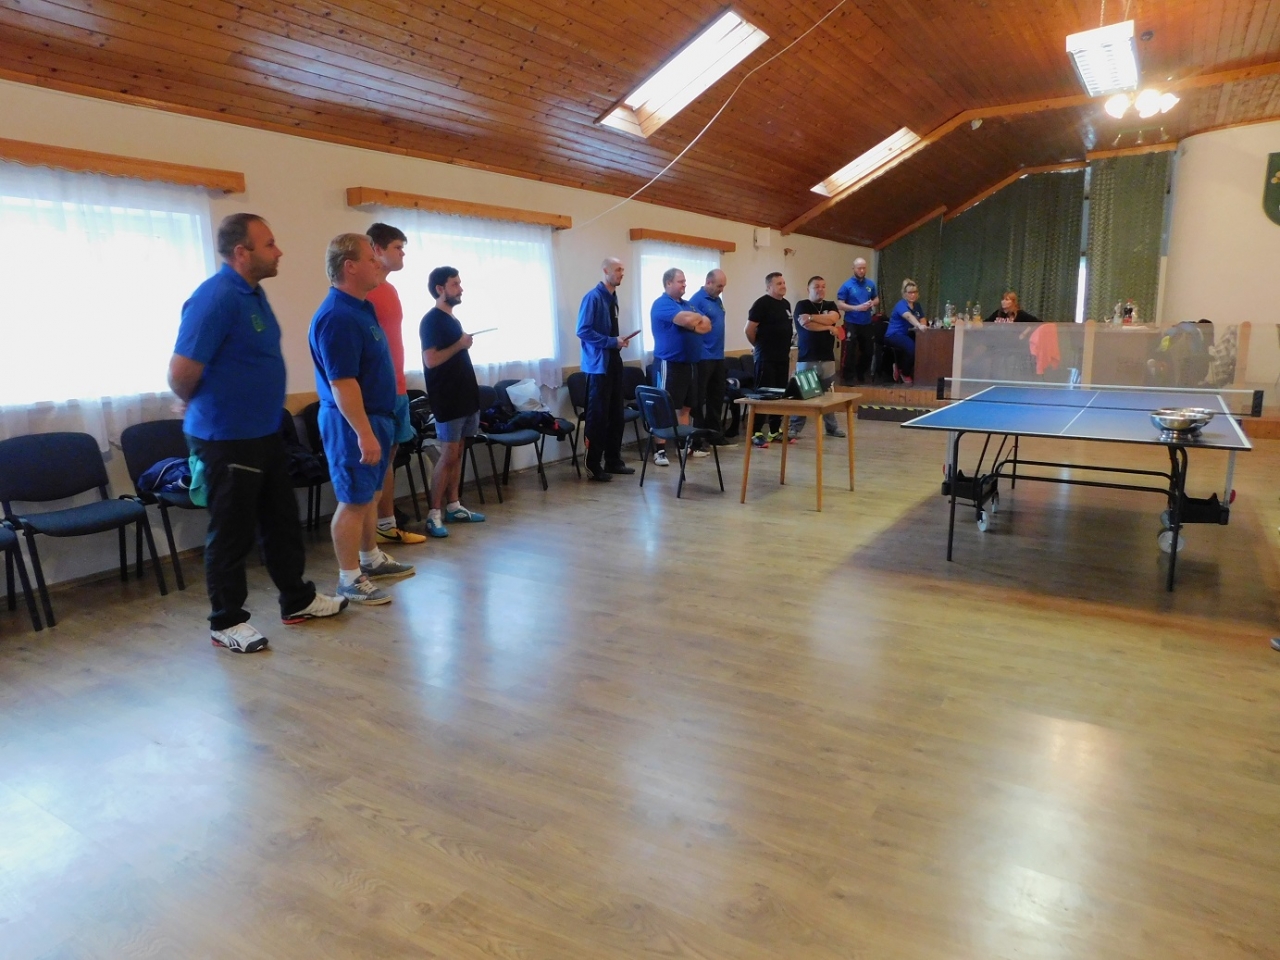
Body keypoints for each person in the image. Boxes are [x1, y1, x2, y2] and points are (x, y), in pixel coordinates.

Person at [169, 213, 346, 654]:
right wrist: (196, 401)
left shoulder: (253, 293)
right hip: (226, 436)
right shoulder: (215, 298)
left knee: (281, 522)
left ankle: (297, 600)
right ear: (241, 252)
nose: (279, 251)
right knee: (232, 532)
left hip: (264, 432)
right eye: (269, 244)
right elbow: (181, 371)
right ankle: (226, 620)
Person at [309, 234, 415, 607]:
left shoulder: (360, 308)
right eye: (371, 259)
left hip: (375, 417)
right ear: (349, 266)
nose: (378, 263)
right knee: (353, 500)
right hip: (352, 422)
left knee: (368, 495)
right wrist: (364, 433)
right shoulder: (337, 316)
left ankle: (370, 559)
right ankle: (349, 578)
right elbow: (343, 383)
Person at [365, 222, 426, 546]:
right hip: (378, 391)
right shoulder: (365, 292)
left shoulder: (389, 290)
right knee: (376, 463)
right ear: (377, 249)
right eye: (397, 248)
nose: (403, 254)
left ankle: (387, 525)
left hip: (398, 387)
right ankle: (374, 533)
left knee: (389, 459)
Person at [420, 266, 488, 532]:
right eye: (455, 284)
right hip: (448, 399)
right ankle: (434, 513)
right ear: (440, 289)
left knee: (457, 454)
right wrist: (460, 344)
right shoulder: (431, 320)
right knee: (448, 455)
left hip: (465, 396)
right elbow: (431, 359)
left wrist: (461, 343)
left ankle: (454, 506)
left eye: (460, 283)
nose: (461, 289)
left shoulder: (452, 319)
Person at [576, 258, 639, 482]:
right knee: (598, 417)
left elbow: (609, 333)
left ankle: (613, 460)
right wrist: (612, 341)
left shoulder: (613, 298)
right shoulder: (593, 297)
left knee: (616, 414)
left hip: (614, 361)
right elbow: (583, 331)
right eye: (618, 269)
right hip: (598, 367)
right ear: (605, 271)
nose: (622, 273)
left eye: (623, 269)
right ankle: (593, 465)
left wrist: (618, 341)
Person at [650, 267, 711, 464]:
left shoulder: (687, 304)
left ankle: (683, 446)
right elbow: (686, 319)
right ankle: (660, 451)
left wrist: (693, 321)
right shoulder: (662, 304)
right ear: (668, 283)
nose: (685, 284)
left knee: (686, 407)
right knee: (664, 407)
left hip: (689, 364)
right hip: (669, 364)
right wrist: (693, 320)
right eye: (680, 281)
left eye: (685, 281)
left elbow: (707, 324)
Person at [789, 276, 846, 439]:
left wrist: (812, 317)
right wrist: (828, 327)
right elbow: (806, 325)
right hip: (807, 357)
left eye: (823, 286)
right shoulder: (802, 305)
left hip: (827, 358)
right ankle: (794, 428)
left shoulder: (830, 305)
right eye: (816, 286)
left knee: (827, 396)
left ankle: (832, 428)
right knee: (803, 394)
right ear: (809, 289)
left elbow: (833, 317)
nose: (820, 289)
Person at [745, 272, 793, 447]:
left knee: (779, 395)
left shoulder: (786, 304)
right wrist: (759, 347)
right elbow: (749, 330)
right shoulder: (761, 304)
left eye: (784, 282)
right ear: (769, 287)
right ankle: (756, 432)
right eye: (779, 283)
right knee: (763, 395)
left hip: (782, 357)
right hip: (766, 358)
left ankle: (774, 431)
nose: (783, 286)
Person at [688, 269, 735, 442]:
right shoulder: (696, 301)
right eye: (719, 286)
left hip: (718, 355)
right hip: (703, 357)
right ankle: (698, 438)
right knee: (699, 399)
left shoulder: (717, 300)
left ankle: (715, 435)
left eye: (723, 286)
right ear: (708, 282)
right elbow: (692, 328)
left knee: (716, 397)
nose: (721, 290)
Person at [836, 257, 879, 383]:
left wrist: (872, 303)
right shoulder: (847, 285)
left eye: (864, 268)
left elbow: (876, 299)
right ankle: (848, 377)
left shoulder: (870, 284)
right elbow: (840, 304)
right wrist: (856, 308)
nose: (861, 271)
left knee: (869, 351)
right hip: (852, 322)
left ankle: (860, 372)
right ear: (853, 268)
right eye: (859, 268)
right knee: (850, 350)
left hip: (867, 322)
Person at [886, 278, 928, 385]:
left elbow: (923, 319)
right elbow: (909, 316)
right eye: (910, 292)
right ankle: (904, 372)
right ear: (904, 294)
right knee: (912, 347)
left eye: (915, 292)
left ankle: (920, 373)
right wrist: (918, 325)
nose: (913, 295)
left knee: (923, 345)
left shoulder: (917, 305)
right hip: (894, 335)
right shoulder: (901, 304)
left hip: (907, 333)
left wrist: (923, 324)